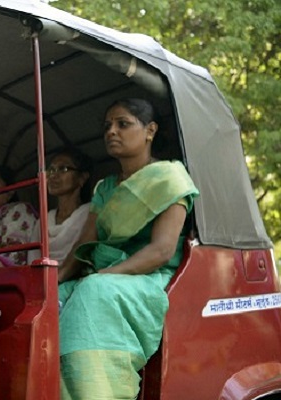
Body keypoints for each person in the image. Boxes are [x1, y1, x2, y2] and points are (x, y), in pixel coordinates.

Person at [57, 98, 199, 399]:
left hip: (151, 278)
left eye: (123, 124)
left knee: (94, 291)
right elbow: (84, 243)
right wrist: (51, 281)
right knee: (51, 300)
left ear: (150, 131)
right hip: (104, 276)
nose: (112, 131)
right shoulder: (105, 188)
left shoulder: (169, 178)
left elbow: (161, 251)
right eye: (107, 126)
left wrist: (106, 274)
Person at [28, 148, 92, 264]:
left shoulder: (90, 213)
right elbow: (33, 259)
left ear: (82, 177)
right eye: (51, 170)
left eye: (63, 169)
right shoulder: (43, 220)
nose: (53, 176)